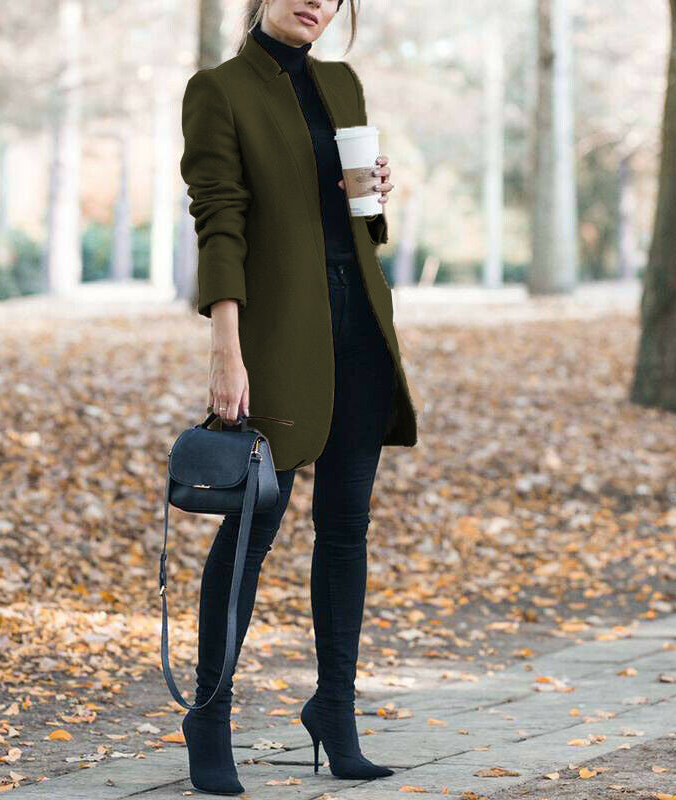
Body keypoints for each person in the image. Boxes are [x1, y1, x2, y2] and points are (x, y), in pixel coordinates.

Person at [177, 0, 419, 794]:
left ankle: (334, 711)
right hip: (277, 339)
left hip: (361, 330)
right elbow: (220, 222)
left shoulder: (342, 84)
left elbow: (356, 226)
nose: (315, 1)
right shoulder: (218, 90)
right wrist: (226, 348)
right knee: (252, 528)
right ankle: (210, 715)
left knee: (346, 529)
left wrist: (375, 195)